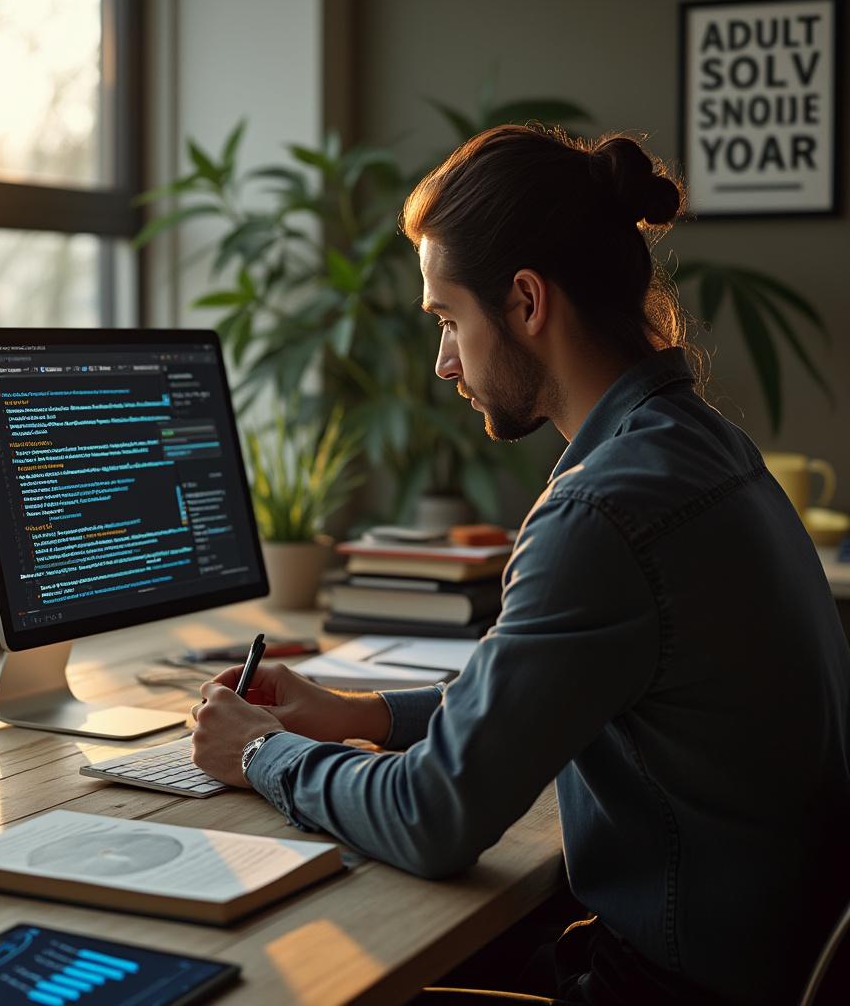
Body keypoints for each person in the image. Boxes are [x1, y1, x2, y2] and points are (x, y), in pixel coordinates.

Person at [190, 124, 850, 1005]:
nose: (443, 362)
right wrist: (357, 713)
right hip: (762, 963)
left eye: (449, 319)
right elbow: (543, 696)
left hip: (668, 989)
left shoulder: (600, 513)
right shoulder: (704, 451)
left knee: (287, 987)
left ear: (528, 303)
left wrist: (262, 752)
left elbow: (433, 819)